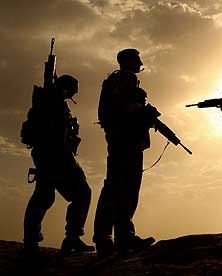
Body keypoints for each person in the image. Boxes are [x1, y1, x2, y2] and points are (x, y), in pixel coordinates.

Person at [23, 75, 94, 256]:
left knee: (45, 196)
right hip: (54, 156)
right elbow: (53, 135)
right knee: (80, 193)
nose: (75, 92)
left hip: (52, 155)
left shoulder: (53, 103)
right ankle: (69, 238)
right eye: (73, 89)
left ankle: (34, 240)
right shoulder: (51, 103)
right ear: (65, 88)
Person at [94, 48, 156, 256]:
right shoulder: (125, 79)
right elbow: (124, 107)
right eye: (137, 58)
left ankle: (119, 237)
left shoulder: (119, 79)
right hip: (125, 140)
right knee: (121, 187)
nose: (140, 61)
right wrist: (143, 111)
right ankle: (111, 238)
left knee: (120, 188)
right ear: (128, 61)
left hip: (124, 139)